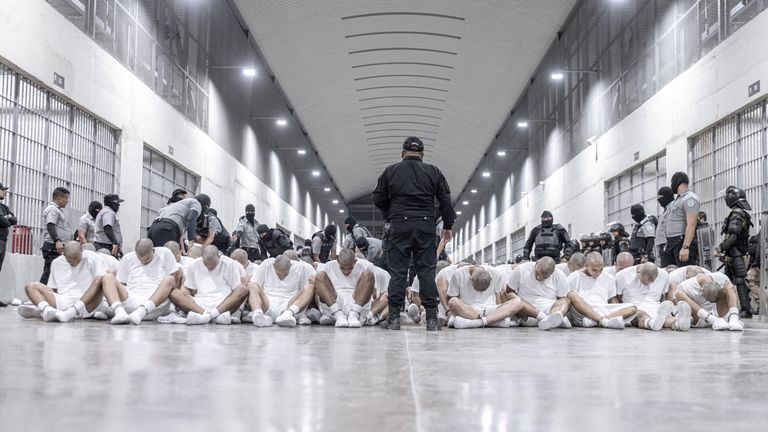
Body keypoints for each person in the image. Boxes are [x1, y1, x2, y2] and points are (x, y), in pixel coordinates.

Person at [372, 136, 456, 331]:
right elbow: (445, 201)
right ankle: (433, 319)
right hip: (426, 225)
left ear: (402, 153)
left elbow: (378, 197)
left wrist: (390, 214)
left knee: (398, 273)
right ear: (422, 154)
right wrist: (448, 225)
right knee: (426, 271)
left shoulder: (390, 171)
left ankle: (393, 318)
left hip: (399, 225)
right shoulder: (433, 171)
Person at [18, 241, 109, 322]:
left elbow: (101, 279)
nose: (75, 264)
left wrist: (75, 308)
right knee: (31, 286)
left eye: (78, 260)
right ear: (64, 255)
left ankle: (65, 312)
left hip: (88, 302)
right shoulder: (56, 262)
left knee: (100, 279)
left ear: (82, 251)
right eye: (70, 262)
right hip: (64, 299)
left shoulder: (92, 256)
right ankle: (47, 310)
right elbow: (52, 289)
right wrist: (45, 299)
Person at [101, 239, 179, 325]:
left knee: (170, 279)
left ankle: (141, 312)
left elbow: (175, 277)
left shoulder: (165, 253)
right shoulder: (127, 258)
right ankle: (120, 312)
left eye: (147, 259)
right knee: (107, 277)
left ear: (153, 251)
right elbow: (122, 284)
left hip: (156, 302)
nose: (143, 261)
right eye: (140, 259)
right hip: (132, 299)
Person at [168, 245, 249, 325]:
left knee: (243, 289)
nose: (210, 268)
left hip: (223, 304)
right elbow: (188, 288)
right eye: (206, 265)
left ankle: (207, 317)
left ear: (219, 256)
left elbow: (235, 289)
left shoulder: (230, 264)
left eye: (213, 265)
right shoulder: (194, 265)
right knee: (174, 293)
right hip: (200, 303)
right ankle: (210, 316)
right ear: (202, 257)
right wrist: (187, 299)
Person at [565, 252, 637, 329]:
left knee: (632, 308)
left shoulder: (609, 278)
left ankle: (597, 321)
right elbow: (568, 299)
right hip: (584, 312)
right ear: (586, 265)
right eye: (594, 270)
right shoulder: (574, 277)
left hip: (603, 309)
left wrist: (618, 311)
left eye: (601, 269)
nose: (598, 273)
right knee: (572, 294)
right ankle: (603, 321)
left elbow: (612, 299)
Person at [446, 265, 527, 329]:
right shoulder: (458, 274)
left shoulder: (495, 273)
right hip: (468, 310)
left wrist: (500, 310)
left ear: (490, 279)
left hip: (489, 309)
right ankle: (493, 322)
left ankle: (477, 323)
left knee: (518, 302)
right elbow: (451, 296)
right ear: (471, 279)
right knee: (453, 302)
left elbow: (497, 297)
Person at [716, 186, 754, 318]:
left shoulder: (736, 213)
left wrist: (721, 248)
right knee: (728, 279)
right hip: (736, 252)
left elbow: (733, 235)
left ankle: (745, 309)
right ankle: (730, 307)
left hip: (735, 252)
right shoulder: (741, 213)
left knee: (738, 279)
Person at [247, 254, 316, 327]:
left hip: (289, 304)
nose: (282, 277)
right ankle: (258, 314)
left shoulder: (300, 267)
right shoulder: (266, 264)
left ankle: (288, 314)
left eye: (285, 274)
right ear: (273, 266)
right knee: (252, 284)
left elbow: (303, 290)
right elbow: (255, 286)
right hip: (267, 303)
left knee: (309, 287)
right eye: (279, 275)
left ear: (290, 266)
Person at [614, 263, 688, 331]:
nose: (648, 284)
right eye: (645, 281)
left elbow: (663, 296)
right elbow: (618, 297)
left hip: (654, 305)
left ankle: (678, 324)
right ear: (639, 272)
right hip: (634, 306)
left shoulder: (664, 275)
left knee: (666, 315)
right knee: (641, 315)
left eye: (652, 281)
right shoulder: (622, 275)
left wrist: (665, 307)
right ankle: (651, 323)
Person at [504, 257, 572, 329]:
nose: (539, 277)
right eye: (537, 273)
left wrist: (558, 311)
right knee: (517, 302)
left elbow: (561, 299)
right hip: (527, 312)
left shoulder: (559, 275)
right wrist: (519, 302)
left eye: (544, 277)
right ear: (536, 264)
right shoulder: (521, 269)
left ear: (552, 273)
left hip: (550, 309)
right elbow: (509, 291)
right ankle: (548, 319)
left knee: (565, 301)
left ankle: (554, 319)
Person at [314, 249, 376, 328]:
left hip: (357, 302)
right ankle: (338, 315)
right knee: (320, 275)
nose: (346, 272)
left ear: (355, 261)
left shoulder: (365, 266)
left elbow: (372, 292)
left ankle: (354, 315)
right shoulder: (329, 265)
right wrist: (321, 310)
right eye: (342, 268)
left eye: (350, 268)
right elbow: (319, 290)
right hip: (334, 302)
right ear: (337, 261)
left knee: (368, 274)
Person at [673, 272, 744, 331]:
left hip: (720, 313)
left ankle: (733, 318)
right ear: (701, 289)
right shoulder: (686, 286)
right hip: (702, 317)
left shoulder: (720, 277)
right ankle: (712, 320)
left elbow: (731, 293)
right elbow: (675, 300)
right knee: (679, 294)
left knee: (729, 286)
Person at [661, 172, 700, 267]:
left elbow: (692, 224)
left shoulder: (690, 199)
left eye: (672, 182)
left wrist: (685, 246)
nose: (671, 185)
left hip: (681, 242)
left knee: (685, 274)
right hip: (672, 243)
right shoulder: (677, 200)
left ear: (677, 181)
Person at [40, 187, 73, 284]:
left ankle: (46, 296)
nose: (67, 201)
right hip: (53, 246)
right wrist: (57, 241)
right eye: (66, 198)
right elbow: (51, 225)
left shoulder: (57, 210)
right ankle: (39, 296)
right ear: (59, 198)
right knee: (49, 273)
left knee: (54, 274)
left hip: (55, 246)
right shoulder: (53, 210)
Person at [0, 181, 16, 275]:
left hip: (2, 240)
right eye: (2, 190)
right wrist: (6, 219)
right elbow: (2, 220)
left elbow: (14, 219)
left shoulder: (3, 207)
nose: (4, 192)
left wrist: (6, 219)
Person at [655, 186, 674, 265]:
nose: (659, 201)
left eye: (660, 198)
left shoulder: (673, 208)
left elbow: (671, 226)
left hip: (668, 244)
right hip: (663, 245)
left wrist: (667, 243)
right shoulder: (666, 209)